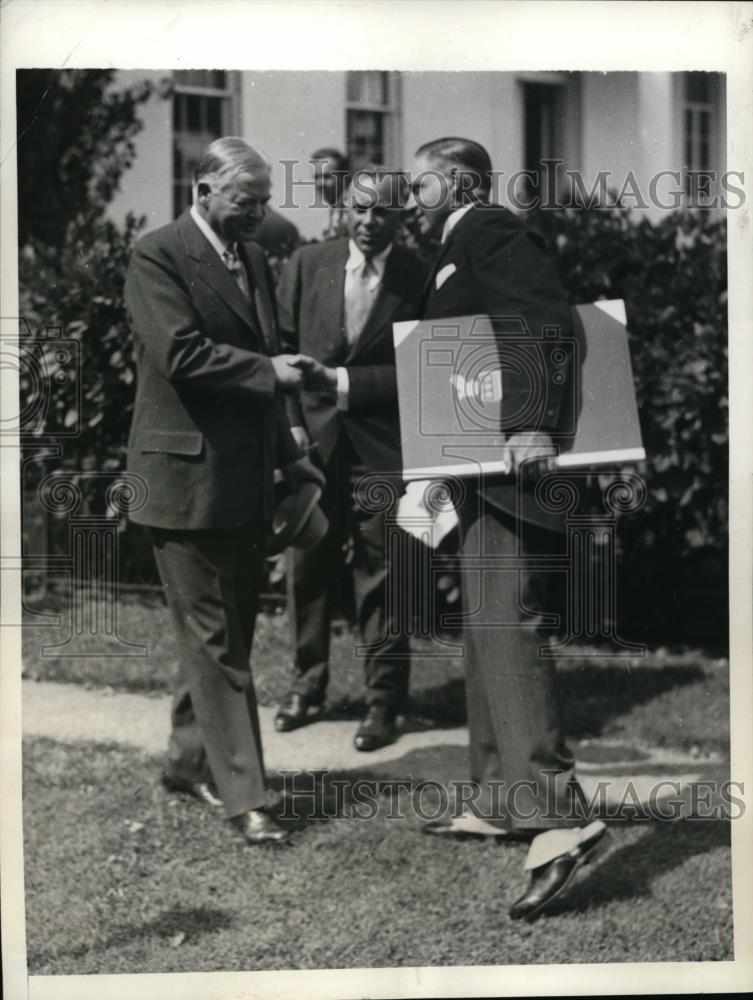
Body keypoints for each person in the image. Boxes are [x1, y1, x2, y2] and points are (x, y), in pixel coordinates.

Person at [405, 137, 606, 920]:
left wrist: (530, 424)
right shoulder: (458, 240)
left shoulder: (488, 229)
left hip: (508, 466)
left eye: (419, 185)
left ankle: (560, 816)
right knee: (485, 631)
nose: (411, 199)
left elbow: (539, 318)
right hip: (475, 468)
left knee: (507, 628)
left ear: (454, 181)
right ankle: (497, 798)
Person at [125, 136, 323, 845]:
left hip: (244, 482)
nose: (262, 212)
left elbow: (270, 359)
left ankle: (186, 761)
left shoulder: (257, 259)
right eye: (249, 199)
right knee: (216, 642)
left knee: (222, 634)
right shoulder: (158, 254)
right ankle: (247, 798)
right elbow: (180, 353)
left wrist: (292, 445)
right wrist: (272, 373)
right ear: (204, 189)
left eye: (266, 199)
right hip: (182, 480)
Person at [274, 167, 427, 751]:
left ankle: (384, 702)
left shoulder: (419, 277)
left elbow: (421, 369)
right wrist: (292, 436)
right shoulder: (307, 264)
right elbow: (280, 354)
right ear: (344, 208)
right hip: (311, 445)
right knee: (306, 569)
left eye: (382, 212)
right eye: (358, 209)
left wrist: (342, 383)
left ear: (402, 216)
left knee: (383, 575)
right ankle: (307, 688)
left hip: (381, 451)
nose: (367, 222)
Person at [311, 146, 350, 239]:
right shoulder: (335, 210)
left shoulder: (353, 211)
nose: (320, 183)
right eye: (316, 177)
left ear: (344, 177)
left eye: (327, 177)